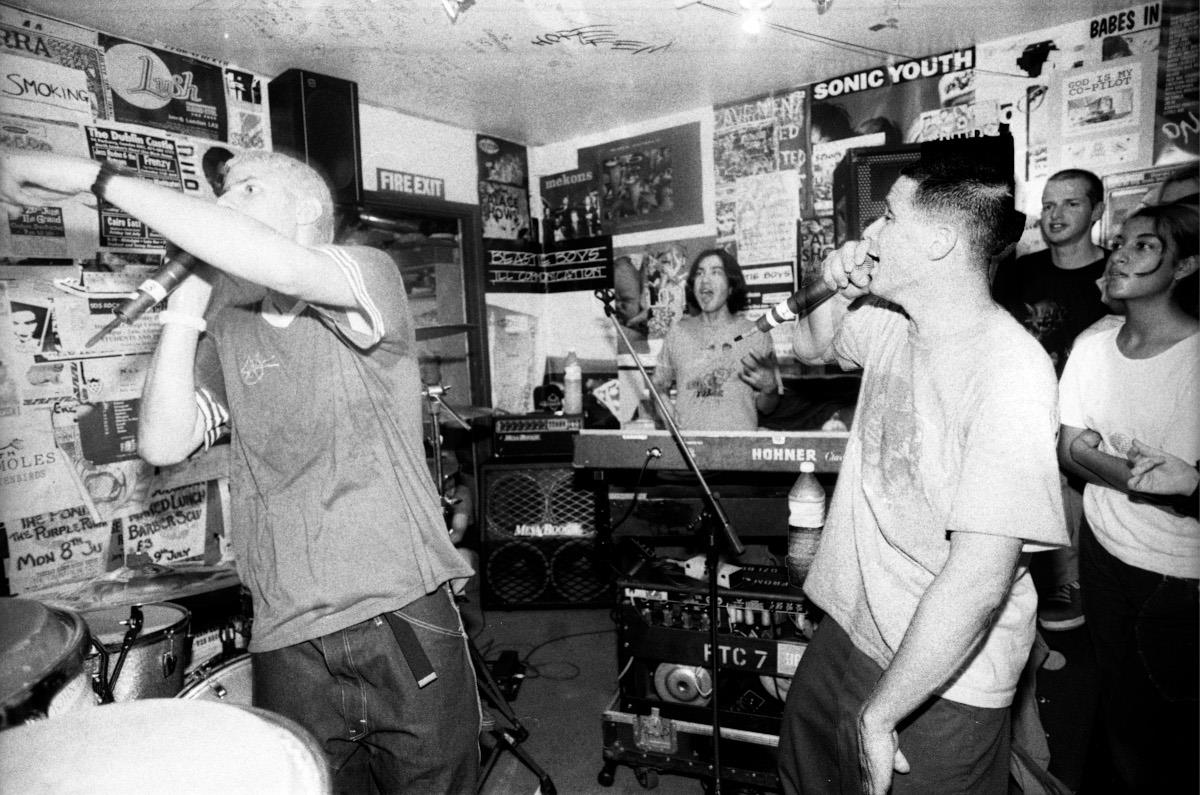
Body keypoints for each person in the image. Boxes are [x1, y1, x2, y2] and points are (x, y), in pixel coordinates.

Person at [0, 148, 479, 793]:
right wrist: (186, 308)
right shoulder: (232, 327)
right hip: (286, 633)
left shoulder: (366, 272)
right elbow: (163, 442)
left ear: (308, 209)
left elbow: (284, 265)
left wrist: (93, 177)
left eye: (247, 189)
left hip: (398, 615)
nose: (224, 204)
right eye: (221, 196)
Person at [781, 155, 1068, 795]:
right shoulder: (895, 321)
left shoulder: (1010, 372)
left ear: (939, 241)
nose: (870, 234)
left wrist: (881, 715)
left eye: (888, 217)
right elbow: (810, 346)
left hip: (942, 668)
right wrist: (834, 284)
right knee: (805, 778)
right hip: (849, 623)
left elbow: (980, 579)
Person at [1056, 202, 1199, 794]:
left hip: (1177, 574)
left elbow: (1173, 485)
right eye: (1119, 243)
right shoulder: (1092, 346)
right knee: (1120, 706)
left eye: (1144, 246)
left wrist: (1097, 459)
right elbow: (1068, 453)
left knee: (1173, 726)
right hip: (1105, 549)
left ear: (1185, 266)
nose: (1119, 256)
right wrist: (1141, 476)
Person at [992, 167, 1112, 631]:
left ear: (1097, 211)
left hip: (1091, 416)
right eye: (1047, 205)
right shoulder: (1021, 272)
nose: (1055, 214)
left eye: (1070, 203)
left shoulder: (1114, 275)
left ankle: (1072, 583)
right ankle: (1043, 588)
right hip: (1027, 412)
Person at [651, 248, 778, 431]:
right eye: (699, 273)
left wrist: (770, 388)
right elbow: (657, 387)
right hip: (688, 445)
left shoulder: (756, 334)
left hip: (739, 444)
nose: (705, 279)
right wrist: (665, 409)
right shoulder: (677, 332)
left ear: (731, 286)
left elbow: (767, 407)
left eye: (715, 272)